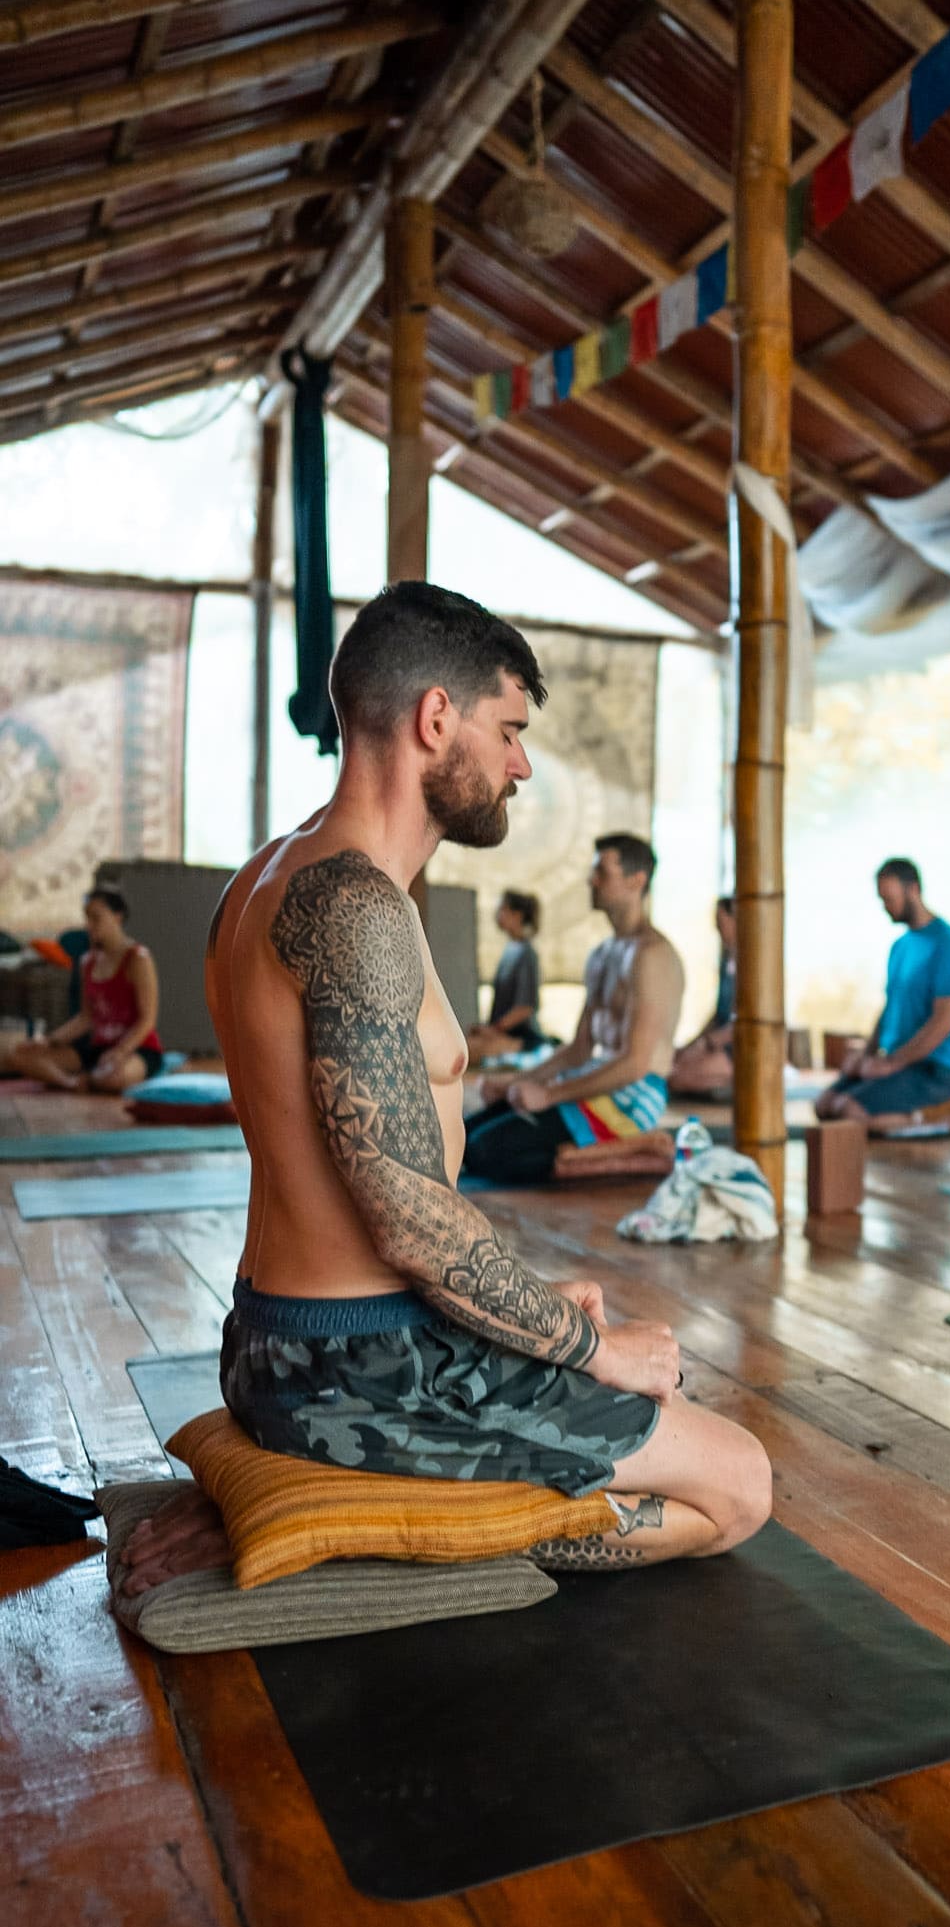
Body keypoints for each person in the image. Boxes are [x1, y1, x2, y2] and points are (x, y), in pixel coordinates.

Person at [120, 583, 768, 1595]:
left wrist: (527, 1307)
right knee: (736, 1488)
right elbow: (410, 1221)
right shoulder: (353, 903)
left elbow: (365, 1202)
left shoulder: (265, 876)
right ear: (435, 719)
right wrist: (592, 1348)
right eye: (508, 729)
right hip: (356, 1369)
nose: (518, 762)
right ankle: (367, 1521)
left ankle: (359, 1492)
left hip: (278, 1339)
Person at [464, 833, 685, 1183]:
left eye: (602, 872)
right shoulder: (602, 955)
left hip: (633, 1095)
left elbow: (636, 1063)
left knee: (484, 1152)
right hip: (595, 1079)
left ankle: (645, 1151)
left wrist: (549, 1094)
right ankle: (579, 1152)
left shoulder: (654, 956)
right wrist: (515, 1082)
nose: (590, 880)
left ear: (636, 881)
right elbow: (579, 1050)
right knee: (464, 1135)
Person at [815, 858, 950, 1135]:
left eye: (889, 899)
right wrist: (865, 1055)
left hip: (934, 1072)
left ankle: (942, 1117)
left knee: (849, 1112)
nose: (885, 908)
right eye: (882, 900)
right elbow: (890, 1009)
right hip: (900, 1064)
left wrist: (891, 1065)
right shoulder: (900, 947)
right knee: (824, 1105)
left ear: (912, 890)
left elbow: (945, 1019)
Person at [8, 886, 163, 1094]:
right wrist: (49, 1041)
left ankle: (94, 1079)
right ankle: (71, 1083)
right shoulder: (87, 962)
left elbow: (147, 1020)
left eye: (96, 918)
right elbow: (85, 1017)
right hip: (97, 1049)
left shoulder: (138, 959)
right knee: (19, 1055)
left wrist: (121, 1051)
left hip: (136, 1048)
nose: (89, 925)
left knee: (112, 1078)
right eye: (87, 918)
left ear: (117, 917)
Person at [668, 896, 737, 1097]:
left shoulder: (750, 964)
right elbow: (719, 1015)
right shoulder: (726, 962)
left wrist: (706, 1043)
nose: (718, 929)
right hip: (717, 1043)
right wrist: (691, 1045)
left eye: (721, 922)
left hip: (734, 1050)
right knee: (672, 1064)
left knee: (677, 1075)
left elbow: (741, 1022)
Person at [466, 888, 544, 1065]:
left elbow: (525, 1008)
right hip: (501, 1033)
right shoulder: (510, 951)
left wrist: (494, 1029)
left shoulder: (526, 954)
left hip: (521, 1038)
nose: (498, 915)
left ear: (517, 915)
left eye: (503, 910)